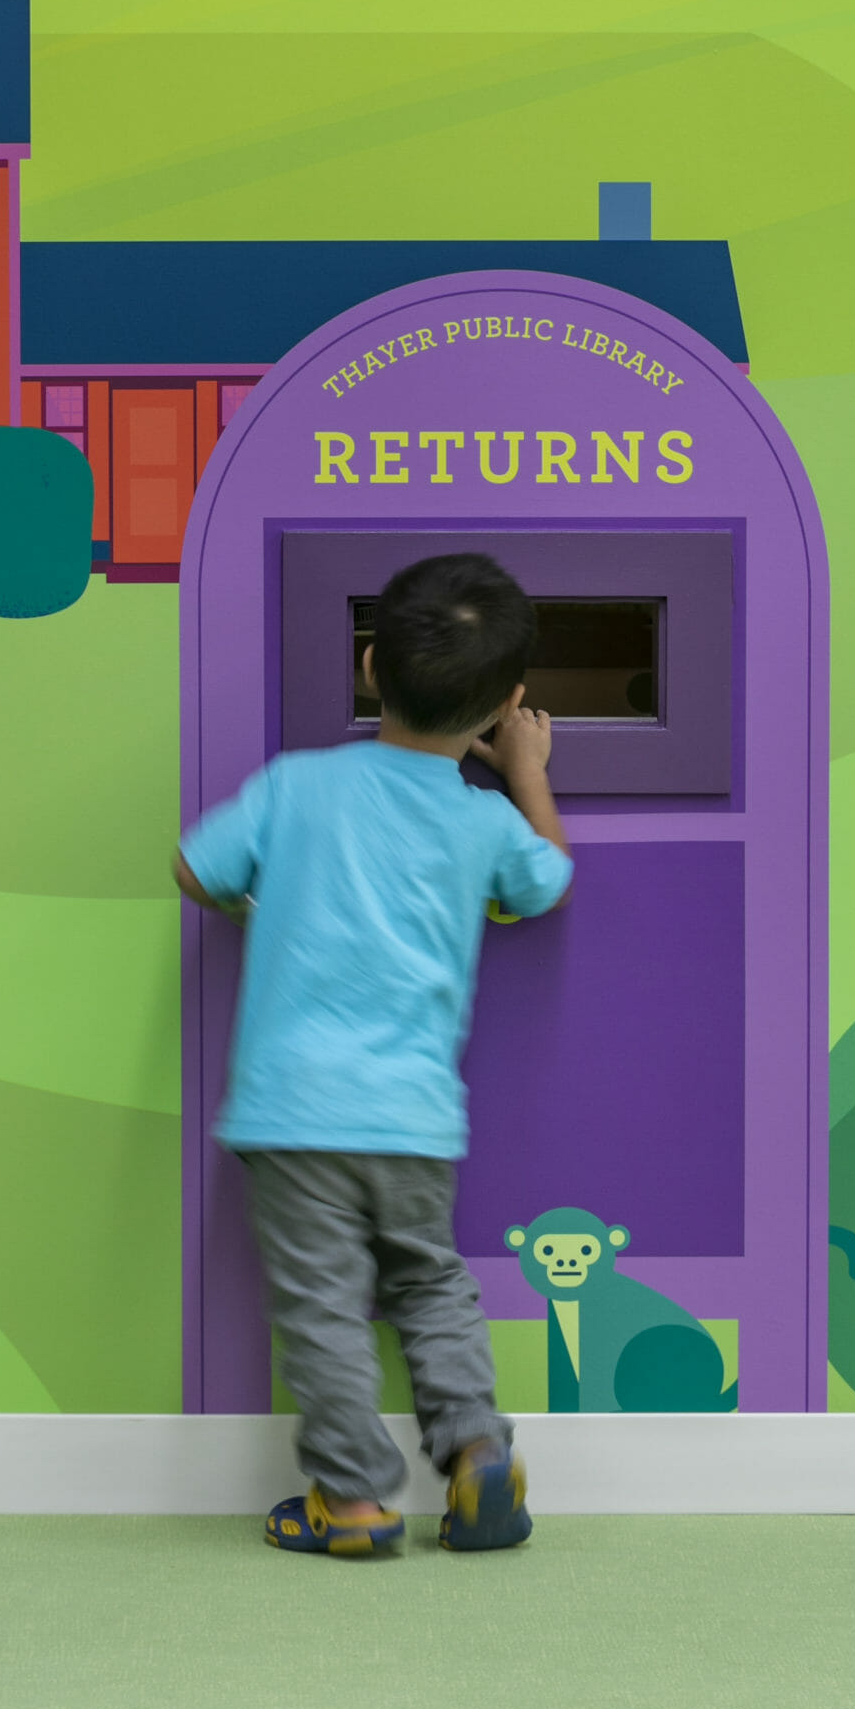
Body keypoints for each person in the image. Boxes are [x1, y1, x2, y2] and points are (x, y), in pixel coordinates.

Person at [174, 552, 573, 1557]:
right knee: (429, 1283)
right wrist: (526, 774)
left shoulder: (298, 783)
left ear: (367, 667)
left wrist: (251, 898)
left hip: (294, 1111)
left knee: (323, 1304)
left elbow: (193, 865)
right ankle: (477, 1449)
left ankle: (352, 1500)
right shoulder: (482, 816)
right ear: (509, 699)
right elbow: (547, 884)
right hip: (413, 1114)